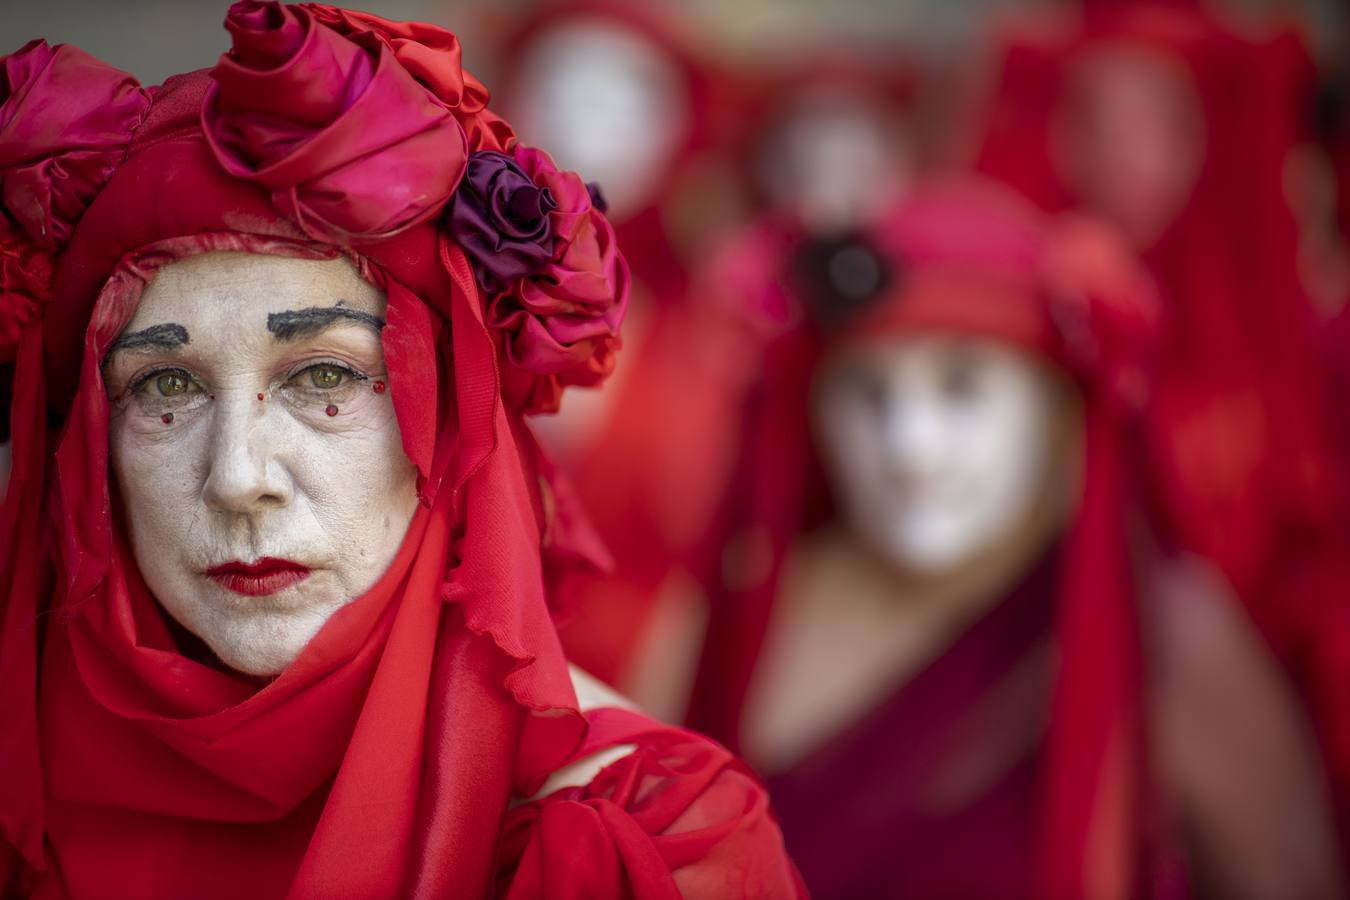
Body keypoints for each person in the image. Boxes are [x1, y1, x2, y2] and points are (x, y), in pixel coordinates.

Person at [0, 4, 804, 896]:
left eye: (325, 377)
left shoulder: (645, 843)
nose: (237, 477)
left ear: (451, 424)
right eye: (166, 387)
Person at [685, 177, 1344, 898]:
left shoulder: (1163, 638)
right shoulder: (751, 611)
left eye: (962, 387)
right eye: (867, 393)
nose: (911, 449)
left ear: (1057, 409)